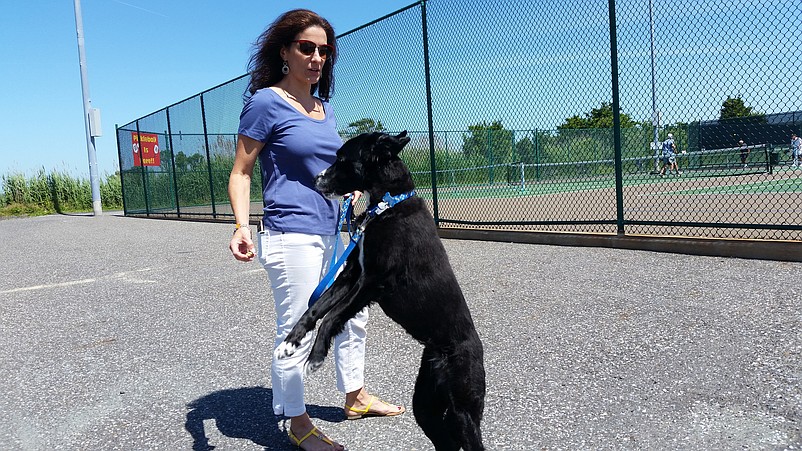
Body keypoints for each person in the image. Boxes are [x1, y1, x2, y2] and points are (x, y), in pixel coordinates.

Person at [227, 9, 404, 451]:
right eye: (307, 47)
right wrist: (241, 226)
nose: (317, 57)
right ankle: (298, 422)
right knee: (297, 328)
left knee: (354, 315)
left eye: (324, 50)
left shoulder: (322, 109)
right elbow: (241, 172)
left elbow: (323, 170)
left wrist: (350, 194)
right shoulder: (266, 102)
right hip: (291, 235)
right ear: (285, 51)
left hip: (333, 231)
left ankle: (356, 396)